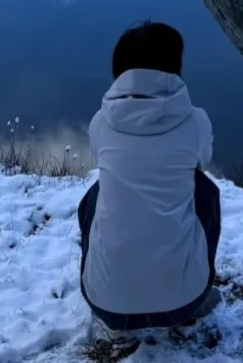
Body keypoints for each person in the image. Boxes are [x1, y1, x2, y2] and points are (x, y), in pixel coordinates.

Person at [78, 22, 221, 333]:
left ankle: (113, 281)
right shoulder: (196, 121)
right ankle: (200, 283)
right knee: (205, 191)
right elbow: (202, 162)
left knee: (96, 195)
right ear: (174, 68)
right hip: (183, 302)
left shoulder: (101, 122)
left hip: (104, 303)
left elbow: (101, 159)